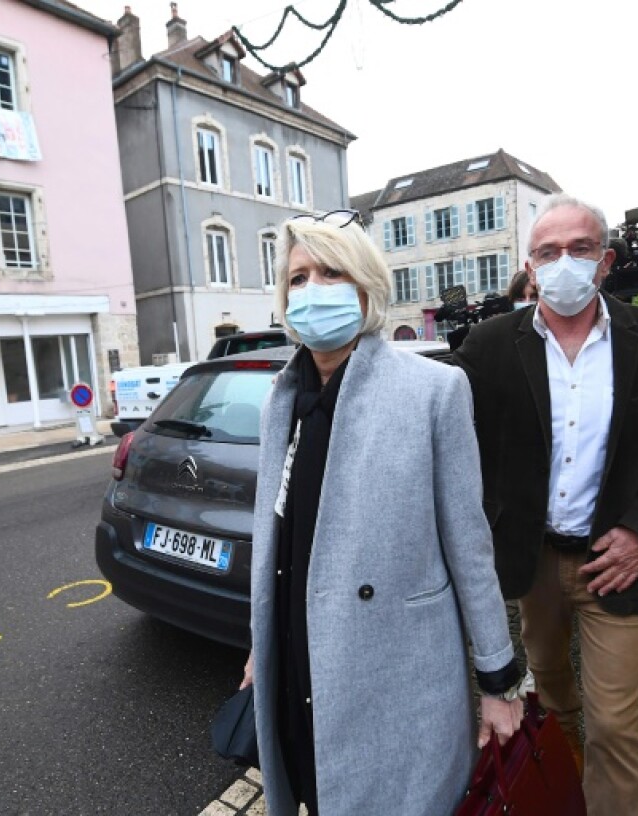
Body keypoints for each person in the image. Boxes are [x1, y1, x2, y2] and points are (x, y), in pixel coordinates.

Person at [241, 210, 523, 816]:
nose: (312, 288)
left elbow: (469, 545)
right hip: (301, 658)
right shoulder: (279, 400)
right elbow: (279, 537)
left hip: (400, 673)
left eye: (331, 271)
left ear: (365, 286)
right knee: (317, 791)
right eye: (298, 277)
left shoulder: (433, 391)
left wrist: (498, 679)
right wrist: (260, 642)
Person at [455, 193, 638, 816]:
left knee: (613, 722)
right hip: (531, 561)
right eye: (548, 251)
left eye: (579, 248)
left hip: (615, 560)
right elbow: (453, 445)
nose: (563, 261)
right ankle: (567, 798)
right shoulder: (487, 347)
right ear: (530, 266)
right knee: (554, 698)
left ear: (606, 259)